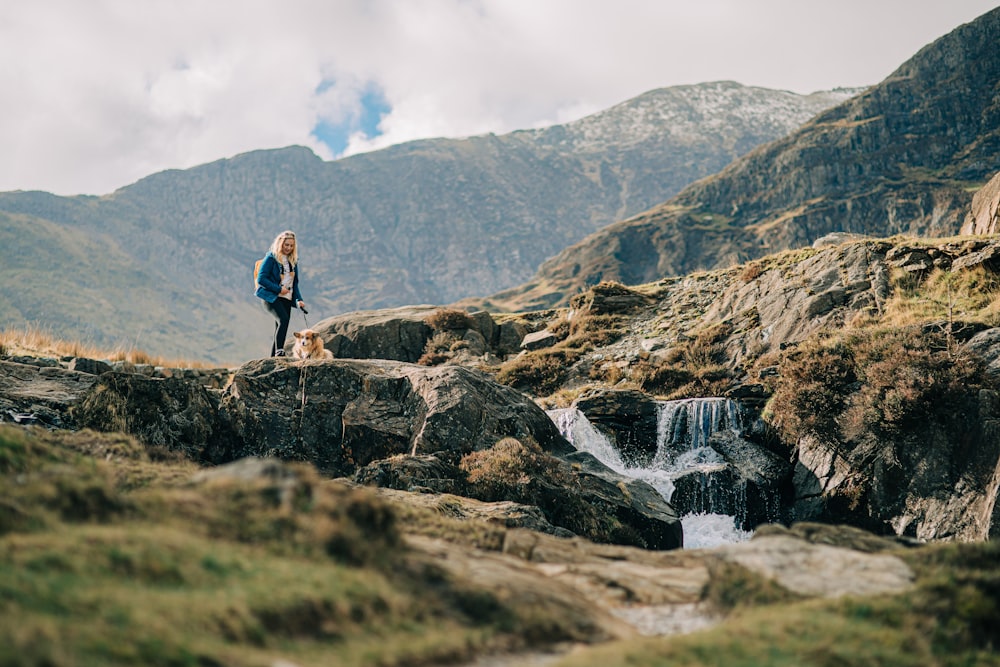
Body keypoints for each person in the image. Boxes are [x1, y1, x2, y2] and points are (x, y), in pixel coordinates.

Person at [255, 230, 309, 357]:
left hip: (286, 298)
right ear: (280, 244)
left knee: (280, 325)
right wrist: (279, 289)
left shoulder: (293, 261)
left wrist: (298, 300)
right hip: (272, 297)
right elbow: (261, 279)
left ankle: (273, 357)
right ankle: (280, 351)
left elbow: (294, 284)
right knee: (283, 320)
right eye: (286, 245)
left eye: (291, 246)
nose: (288, 248)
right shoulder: (271, 258)